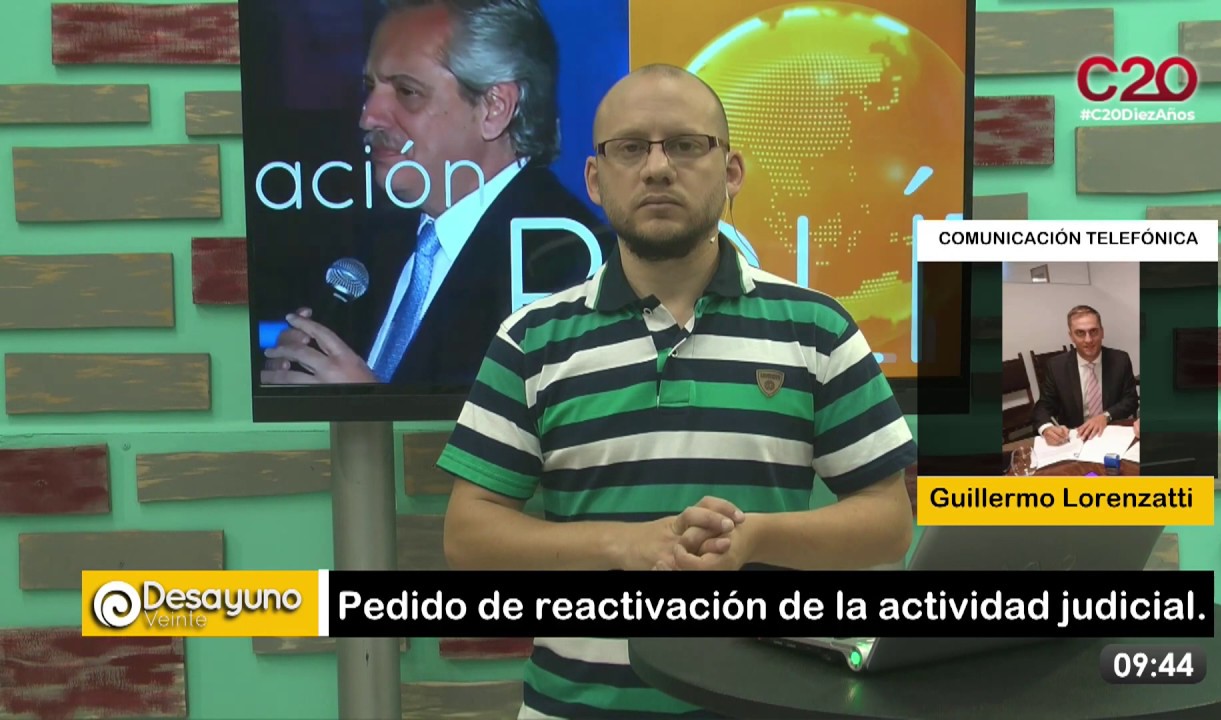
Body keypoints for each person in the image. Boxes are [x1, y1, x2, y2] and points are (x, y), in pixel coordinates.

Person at [436, 64, 918, 719]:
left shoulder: (817, 327)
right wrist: (625, 546)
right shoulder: (532, 339)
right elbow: (468, 537)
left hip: (765, 706)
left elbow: (888, 525)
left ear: (731, 171)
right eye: (631, 148)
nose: (658, 168)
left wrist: (754, 541)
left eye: (686, 145)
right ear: (595, 179)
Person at [260, 0, 607, 387]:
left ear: (494, 108)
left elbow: (567, 424)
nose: (368, 116)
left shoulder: (570, 260)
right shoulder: (368, 246)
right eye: (370, 87)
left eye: (407, 91)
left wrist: (370, 407)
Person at [1032, 305, 1139, 445]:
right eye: (1080, 333)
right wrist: (1046, 428)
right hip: (1073, 438)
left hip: (1110, 433)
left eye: (1093, 331)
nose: (1088, 340)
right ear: (1071, 336)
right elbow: (1043, 406)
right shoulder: (1056, 366)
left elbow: (1131, 400)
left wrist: (1106, 416)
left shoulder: (1120, 360)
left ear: (1102, 332)